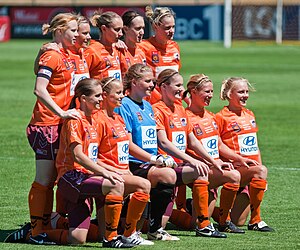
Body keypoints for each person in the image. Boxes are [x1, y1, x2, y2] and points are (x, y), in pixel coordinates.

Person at [53, 77, 135, 248]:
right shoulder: (75, 120)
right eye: (97, 96)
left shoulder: (94, 118)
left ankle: (55, 222)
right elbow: (78, 156)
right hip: (71, 177)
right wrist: (105, 173)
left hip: (86, 176)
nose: (101, 99)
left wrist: (112, 170)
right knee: (115, 185)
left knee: (78, 238)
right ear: (83, 98)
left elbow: (94, 156)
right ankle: (111, 238)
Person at [153, 69, 234, 238]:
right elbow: (163, 143)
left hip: (180, 166)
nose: (182, 90)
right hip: (165, 166)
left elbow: (193, 141)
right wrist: (192, 160)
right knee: (154, 225)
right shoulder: (157, 110)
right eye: (177, 85)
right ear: (163, 87)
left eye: (182, 85)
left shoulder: (179, 109)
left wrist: (213, 161)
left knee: (202, 172)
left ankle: (204, 225)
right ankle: (131, 215)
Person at [25, 13, 81, 242]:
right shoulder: (53, 55)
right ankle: (36, 232)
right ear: (59, 31)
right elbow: (39, 88)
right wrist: (60, 112)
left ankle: (45, 224)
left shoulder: (62, 53)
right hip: (46, 124)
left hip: (57, 124)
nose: (77, 35)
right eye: (74, 30)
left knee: (52, 179)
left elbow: (38, 72)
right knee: (44, 180)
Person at [177, 74, 253, 233]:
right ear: (193, 92)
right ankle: (223, 222)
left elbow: (219, 144)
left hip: (213, 167)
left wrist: (239, 158)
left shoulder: (211, 116)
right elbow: (184, 147)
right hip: (198, 169)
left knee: (195, 224)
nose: (210, 95)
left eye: (211, 91)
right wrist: (209, 162)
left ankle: (214, 216)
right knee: (233, 176)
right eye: (207, 91)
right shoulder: (185, 117)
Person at [115, 63, 179, 241]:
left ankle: (154, 228)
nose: (152, 85)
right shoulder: (124, 105)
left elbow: (156, 140)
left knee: (169, 174)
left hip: (148, 161)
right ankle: (135, 229)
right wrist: (154, 159)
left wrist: (162, 157)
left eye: (153, 81)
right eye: (148, 81)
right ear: (134, 82)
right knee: (167, 175)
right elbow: (127, 144)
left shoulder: (148, 106)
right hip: (131, 163)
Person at [94, 77, 153, 245]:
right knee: (79, 238)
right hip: (105, 173)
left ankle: (127, 233)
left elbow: (123, 149)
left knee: (144, 185)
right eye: (118, 93)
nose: (122, 96)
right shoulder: (98, 120)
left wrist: (125, 169)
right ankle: (128, 233)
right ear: (104, 95)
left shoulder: (118, 118)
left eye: (122, 92)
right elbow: (92, 156)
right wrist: (114, 171)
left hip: (119, 172)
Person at [215, 77, 273, 232]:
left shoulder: (249, 114)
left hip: (250, 174)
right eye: (241, 92)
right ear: (229, 94)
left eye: (246, 91)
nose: (245, 95)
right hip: (234, 171)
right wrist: (238, 160)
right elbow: (217, 146)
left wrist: (260, 172)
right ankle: (256, 220)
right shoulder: (221, 117)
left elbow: (254, 146)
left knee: (238, 221)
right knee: (260, 171)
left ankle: (216, 213)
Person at [139, 6, 181, 104]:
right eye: (167, 28)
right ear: (155, 27)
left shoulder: (175, 47)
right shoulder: (143, 47)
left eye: (173, 26)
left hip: (175, 104)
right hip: (154, 105)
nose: (172, 31)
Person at [85, 10, 123, 80]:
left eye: (121, 29)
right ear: (104, 29)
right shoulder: (92, 50)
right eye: (117, 29)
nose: (121, 34)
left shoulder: (118, 48)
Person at [118, 10, 147, 75]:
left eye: (143, 28)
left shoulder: (143, 49)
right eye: (138, 28)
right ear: (125, 29)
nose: (142, 32)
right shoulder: (118, 50)